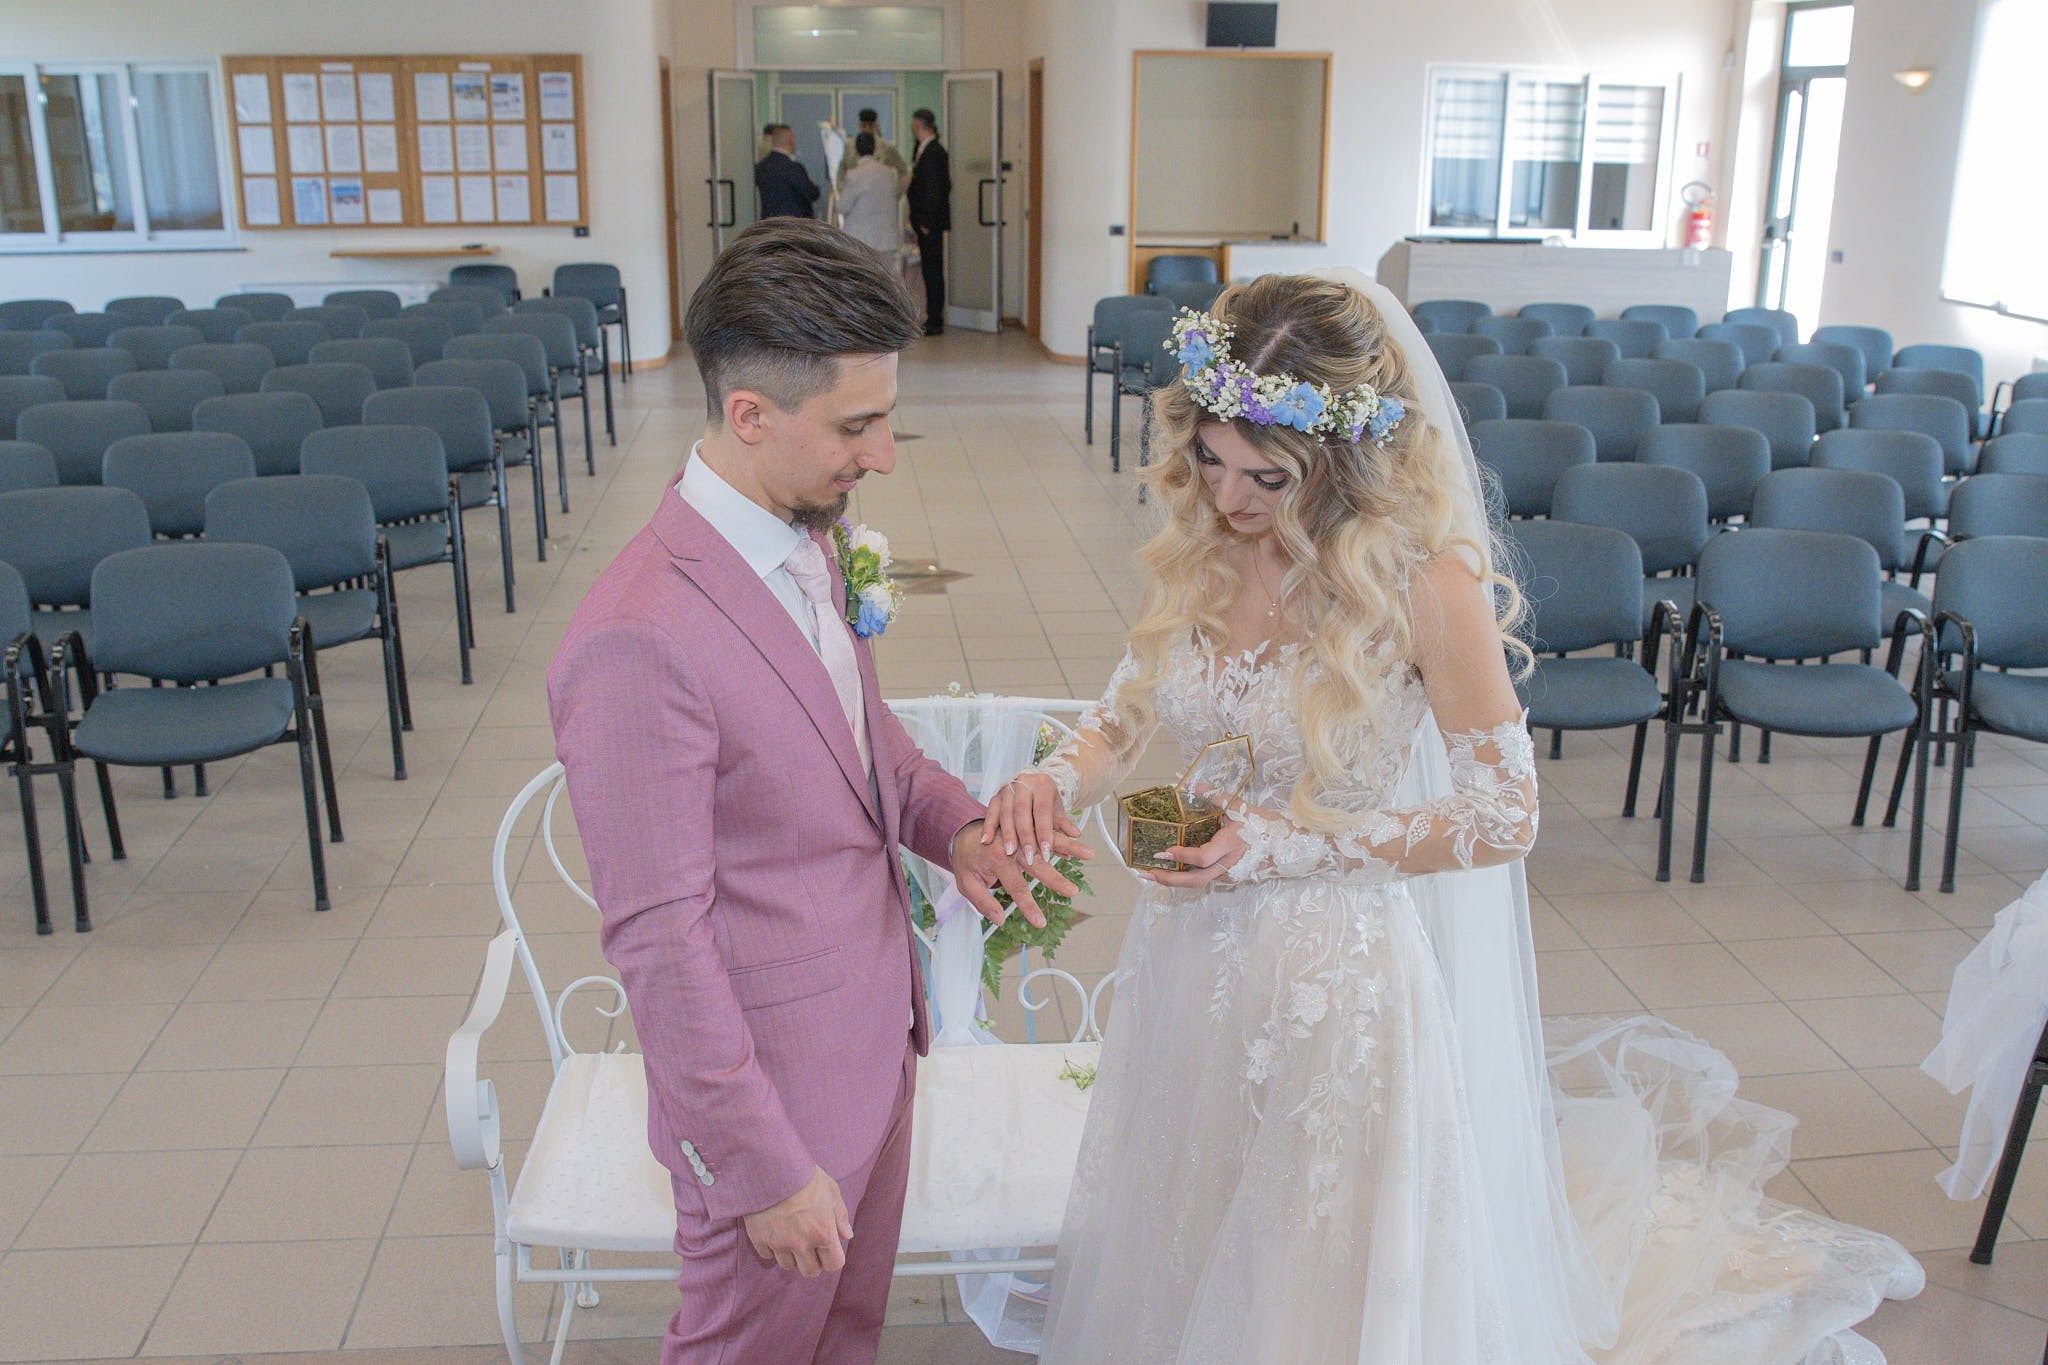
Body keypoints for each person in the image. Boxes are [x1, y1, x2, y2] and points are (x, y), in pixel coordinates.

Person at [987, 271, 1925, 1362]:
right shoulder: (1204, 548)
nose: (1229, 497)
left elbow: (1502, 817)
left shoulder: (1426, 586)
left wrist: (1283, 842)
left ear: (1338, 457)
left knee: (1315, 1267)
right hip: (1187, 958)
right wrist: (1058, 775)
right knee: (1185, 1212)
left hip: (1329, 977)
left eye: (1264, 475)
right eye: (1206, 458)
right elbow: (1122, 716)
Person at [547, 216, 1085, 1365]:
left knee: (844, 1341)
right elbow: (658, 937)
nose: (884, 454)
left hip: (874, 1048)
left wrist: (962, 831)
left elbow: (864, 743)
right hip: (773, 1107)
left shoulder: (811, 537)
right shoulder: (638, 638)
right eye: (857, 425)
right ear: (749, 416)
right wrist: (758, 1168)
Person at [905, 107, 950, 336]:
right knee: (929, 270)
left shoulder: (934, 153)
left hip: (929, 224)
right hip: (924, 222)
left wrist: (926, 221)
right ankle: (932, 316)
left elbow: (934, 190)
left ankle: (935, 318)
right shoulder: (923, 150)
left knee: (933, 271)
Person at [837, 131, 905, 258]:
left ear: (856, 150)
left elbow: (842, 207)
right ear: (874, 149)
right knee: (885, 276)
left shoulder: (853, 175)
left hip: (862, 241)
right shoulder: (888, 173)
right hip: (887, 239)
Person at [755, 123, 819, 220]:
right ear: (791, 140)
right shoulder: (793, 168)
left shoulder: (761, 167)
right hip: (793, 226)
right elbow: (812, 193)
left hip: (768, 225)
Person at [835, 107, 908, 189]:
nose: (867, 129)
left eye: (870, 126)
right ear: (859, 126)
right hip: (855, 194)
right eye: (864, 125)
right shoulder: (850, 146)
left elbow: (903, 170)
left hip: (878, 194)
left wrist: (894, 194)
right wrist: (842, 189)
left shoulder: (886, 148)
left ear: (875, 126)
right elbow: (842, 168)